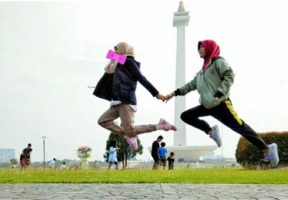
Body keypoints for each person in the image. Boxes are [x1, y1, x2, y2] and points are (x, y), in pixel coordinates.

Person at [165, 39, 279, 168]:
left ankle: (267, 149)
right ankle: (210, 131)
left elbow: (229, 75)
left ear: (209, 48)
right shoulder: (201, 72)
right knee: (186, 116)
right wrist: (174, 93)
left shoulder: (218, 61)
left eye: (202, 47)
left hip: (221, 104)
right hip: (207, 106)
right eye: (199, 48)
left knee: (240, 127)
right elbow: (191, 85)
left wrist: (219, 93)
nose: (200, 50)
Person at [94, 42, 176, 150]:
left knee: (130, 130)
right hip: (115, 101)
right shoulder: (117, 64)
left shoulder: (128, 61)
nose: (115, 52)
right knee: (102, 121)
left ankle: (160, 125)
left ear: (124, 50)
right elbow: (109, 73)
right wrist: (114, 59)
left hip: (125, 100)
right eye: (114, 50)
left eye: (117, 50)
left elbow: (141, 78)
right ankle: (129, 136)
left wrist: (156, 93)